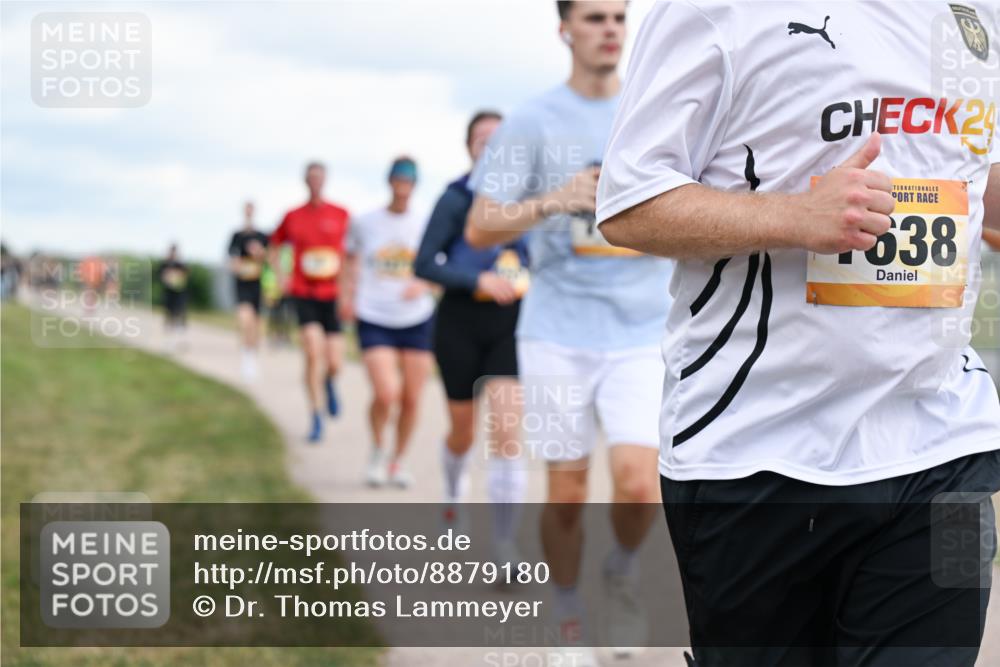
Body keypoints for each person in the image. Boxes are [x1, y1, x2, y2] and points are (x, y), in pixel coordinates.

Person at [595, 2, 1000, 664]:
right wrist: (797, 215)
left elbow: (977, 175)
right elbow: (628, 203)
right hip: (755, 448)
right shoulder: (715, 10)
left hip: (941, 443)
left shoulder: (979, 14)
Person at [465, 1, 674, 660]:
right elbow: (480, 227)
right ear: (565, 30)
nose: (609, 28)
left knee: (641, 483)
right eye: (593, 18)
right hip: (557, 332)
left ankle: (619, 572)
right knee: (566, 491)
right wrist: (555, 198)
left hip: (643, 329)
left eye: (618, 16)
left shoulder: (657, 111)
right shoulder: (531, 121)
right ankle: (567, 610)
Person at [414, 111, 530, 563]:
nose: (490, 145)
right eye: (482, 139)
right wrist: (475, 280)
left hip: (511, 325)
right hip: (459, 323)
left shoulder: (530, 198)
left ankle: (504, 544)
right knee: (463, 432)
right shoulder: (455, 198)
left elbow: (547, 257)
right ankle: (453, 489)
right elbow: (424, 264)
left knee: (506, 430)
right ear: (469, 148)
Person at [340, 157, 436, 488]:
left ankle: (397, 461)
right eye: (398, 178)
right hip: (374, 314)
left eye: (409, 179)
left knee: (411, 398)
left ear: (415, 184)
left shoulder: (426, 222)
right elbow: (349, 260)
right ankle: (378, 450)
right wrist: (346, 297)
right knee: (386, 393)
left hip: (417, 317)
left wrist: (424, 284)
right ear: (389, 181)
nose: (403, 184)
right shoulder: (365, 222)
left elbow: (441, 265)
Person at [270, 162, 350, 443]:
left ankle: (329, 381)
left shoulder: (341, 214)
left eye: (320, 177)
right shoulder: (292, 216)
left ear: (325, 180)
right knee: (313, 352)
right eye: (311, 177)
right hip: (303, 292)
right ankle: (316, 415)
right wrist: (281, 276)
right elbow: (274, 244)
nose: (315, 181)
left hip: (331, 295)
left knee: (335, 361)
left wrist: (349, 290)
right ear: (305, 181)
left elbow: (352, 253)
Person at [227, 201, 270, 381]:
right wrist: (236, 266)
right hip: (242, 284)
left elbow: (271, 258)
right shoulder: (236, 236)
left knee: (256, 324)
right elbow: (231, 258)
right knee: (246, 320)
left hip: (258, 285)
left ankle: (252, 354)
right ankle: (246, 357)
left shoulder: (263, 236)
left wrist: (261, 254)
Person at [158, 244, 189, 350]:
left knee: (179, 316)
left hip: (179, 294)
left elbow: (184, 277)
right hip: (169, 294)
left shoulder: (181, 265)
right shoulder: (164, 264)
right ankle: (168, 341)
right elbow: (162, 277)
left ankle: (178, 340)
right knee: (169, 316)